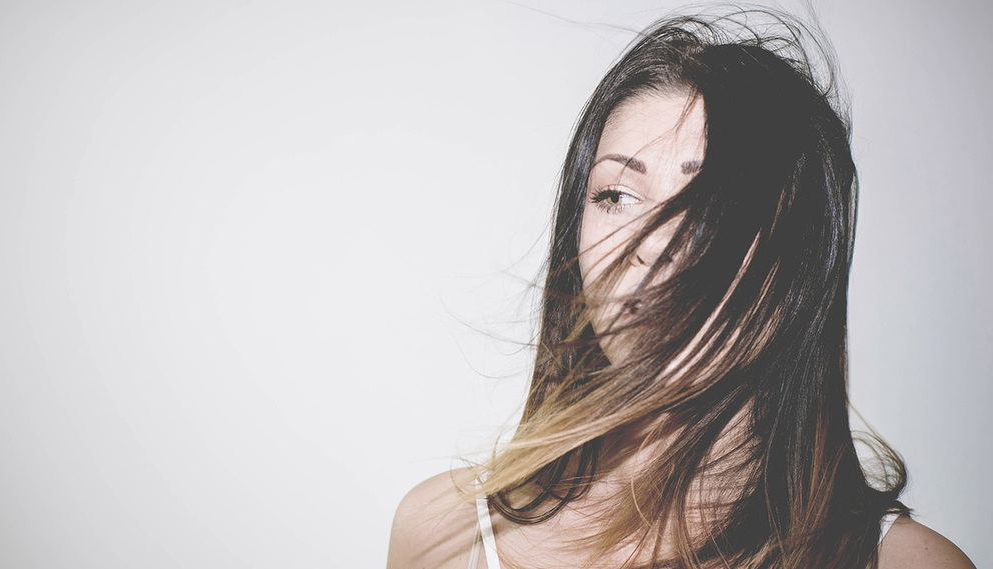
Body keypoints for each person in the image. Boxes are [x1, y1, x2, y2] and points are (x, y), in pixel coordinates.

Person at [387, 10, 975, 569]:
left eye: (713, 205)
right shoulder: (442, 535)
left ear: (800, 256)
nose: (652, 243)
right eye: (617, 196)